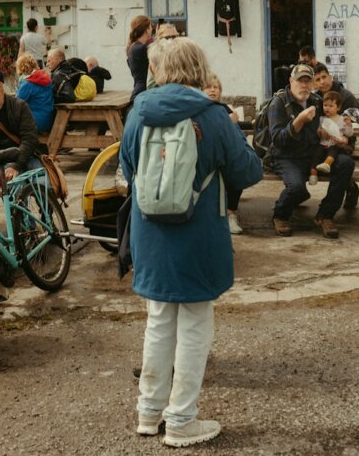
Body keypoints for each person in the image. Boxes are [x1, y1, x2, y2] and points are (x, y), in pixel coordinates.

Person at [120, 37, 262, 447]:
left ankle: (148, 412)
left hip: (151, 234)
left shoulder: (138, 113)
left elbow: (128, 170)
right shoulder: (213, 115)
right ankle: (181, 420)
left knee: (159, 319)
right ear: (198, 67)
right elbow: (248, 172)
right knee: (196, 322)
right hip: (198, 233)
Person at [266, 64, 355, 239]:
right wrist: (298, 121)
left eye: (308, 81)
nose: (304, 85)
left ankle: (325, 215)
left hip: (314, 154)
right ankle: (280, 215)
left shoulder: (316, 100)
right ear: (291, 81)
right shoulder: (279, 103)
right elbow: (278, 141)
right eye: (300, 81)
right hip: (287, 157)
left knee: (346, 164)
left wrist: (344, 123)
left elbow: (330, 121)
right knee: (297, 187)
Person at [0, 69, 42, 181]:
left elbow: (30, 139)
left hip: (26, 155)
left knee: (43, 186)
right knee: (15, 189)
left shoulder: (19, 106)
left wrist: (16, 165)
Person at [202, 71, 245, 236]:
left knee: (238, 169)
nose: (213, 90)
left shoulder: (225, 108)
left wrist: (233, 123)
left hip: (225, 154)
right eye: (208, 87)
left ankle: (230, 213)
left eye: (216, 87)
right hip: (208, 155)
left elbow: (234, 137)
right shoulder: (200, 108)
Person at [315, 92, 355, 176]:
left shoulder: (342, 120)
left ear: (338, 107)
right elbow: (318, 132)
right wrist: (320, 132)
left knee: (334, 149)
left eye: (331, 106)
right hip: (323, 144)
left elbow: (349, 134)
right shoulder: (322, 119)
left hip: (336, 144)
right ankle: (313, 173)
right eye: (325, 105)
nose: (327, 108)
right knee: (317, 152)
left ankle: (327, 164)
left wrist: (349, 125)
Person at [15, 53, 55, 134]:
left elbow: (16, 105)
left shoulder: (27, 84)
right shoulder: (45, 78)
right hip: (49, 120)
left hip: (35, 122)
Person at [126, 15, 153, 103]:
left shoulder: (134, 46)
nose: (152, 29)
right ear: (147, 29)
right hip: (142, 91)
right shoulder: (141, 48)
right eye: (151, 27)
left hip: (140, 89)